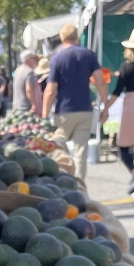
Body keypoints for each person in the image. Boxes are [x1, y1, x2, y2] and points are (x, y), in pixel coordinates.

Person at [43, 24, 109, 179]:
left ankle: (64, 180)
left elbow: (51, 90)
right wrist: (105, 105)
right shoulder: (89, 55)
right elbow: (100, 81)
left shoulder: (57, 59)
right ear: (76, 37)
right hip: (85, 109)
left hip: (64, 111)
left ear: (61, 38)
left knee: (59, 147)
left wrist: (45, 114)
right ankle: (79, 187)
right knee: (81, 152)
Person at [104, 27, 134, 190]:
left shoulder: (126, 67)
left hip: (131, 106)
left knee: (123, 146)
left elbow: (117, 91)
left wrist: (106, 108)